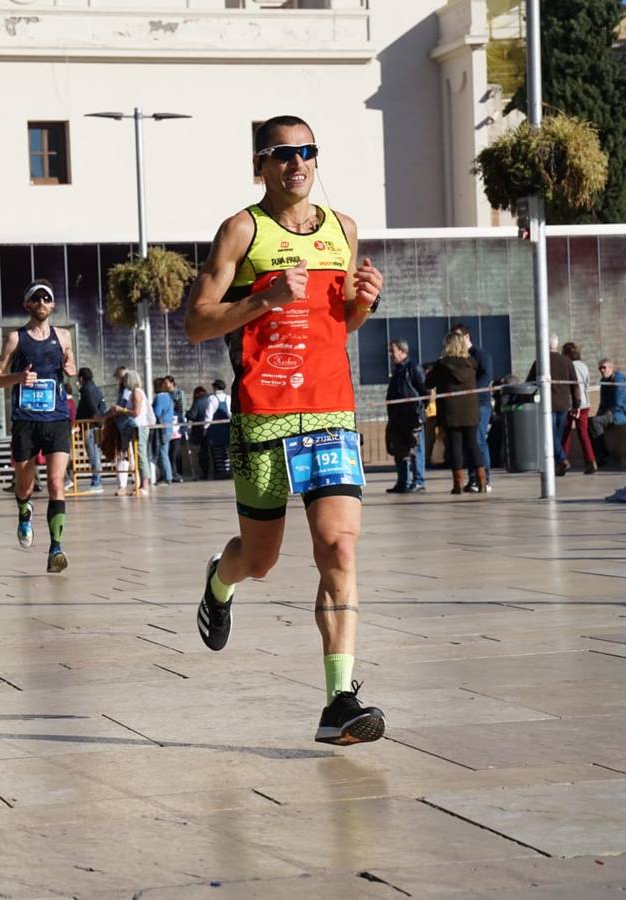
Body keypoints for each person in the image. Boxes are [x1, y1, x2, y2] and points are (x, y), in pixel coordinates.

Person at [183, 114, 386, 745]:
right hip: (264, 415)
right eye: (283, 153)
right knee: (262, 559)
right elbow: (196, 322)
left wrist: (363, 304)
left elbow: (339, 323)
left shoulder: (343, 229)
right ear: (261, 165)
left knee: (339, 550)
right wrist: (261, 299)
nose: (297, 163)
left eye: (308, 152)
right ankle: (221, 580)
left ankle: (339, 702)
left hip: (330, 410)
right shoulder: (242, 230)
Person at [0, 278, 77, 574]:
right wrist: (17, 379)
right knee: (24, 485)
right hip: (26, 421)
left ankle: (56, 549)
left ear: (53, 305)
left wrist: (70, 369)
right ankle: (24, 512)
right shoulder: (15, 338)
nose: (42, 303)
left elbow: (71, 366)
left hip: (57, 419)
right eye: (36, 298)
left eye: (47, 298)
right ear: (27, 304)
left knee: (55, 483)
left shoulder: (64, 336)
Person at [425, 331, 486, 494]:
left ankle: (458, 484)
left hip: (450, 411)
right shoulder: (472, 362)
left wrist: (436, 366)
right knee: (473, 444)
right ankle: (482, 481)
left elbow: (428, 383)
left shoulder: (443, 364)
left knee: (455, 446)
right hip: (471, 410)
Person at [525, 335, 581, 476]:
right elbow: (575, 385)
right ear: (557, 345)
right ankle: (558, 464)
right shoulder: (567, 363)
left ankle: (562, 460)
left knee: (550, 436)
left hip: (547, 405)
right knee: (557, 435)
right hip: (563, 405)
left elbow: (529, 383)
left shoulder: (540, 362)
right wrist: (577, 404)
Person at [453, 324, 493, 492]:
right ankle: (473, 479)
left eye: (457, 336)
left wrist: (471, 390)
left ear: (466, 336)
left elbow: (487, 375)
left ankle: (485, 478)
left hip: (480, 403)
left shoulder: (480, 354)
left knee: (478, 440)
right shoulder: (458, 356)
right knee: (468, 443)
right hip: (465, 405)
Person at [384, 339, 426, 494]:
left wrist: (420, 411)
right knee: (400, 450)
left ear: (402, 351)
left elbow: (424, 390)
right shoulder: (397, 370)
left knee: (416, 449)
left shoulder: (413, 367)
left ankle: (419, 481)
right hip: (398, 417)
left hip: (412, 417)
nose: (390, 355)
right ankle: (403, 482)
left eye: (392, 351)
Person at [559, 342, 598, 475]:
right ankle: (591, 460)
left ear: (567, 354)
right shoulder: (584, 366)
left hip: (572, 404)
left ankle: (562, 462)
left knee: (566, 432)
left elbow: (569, 386)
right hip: (585, 404)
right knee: (583, 434)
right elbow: (586, 384)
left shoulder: (567, 366)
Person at [589, 358, 626, 466]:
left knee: (595, 422)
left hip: (621, 414)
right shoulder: (604, 382)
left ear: (611, 368)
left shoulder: (619, 380)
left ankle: (603, 454)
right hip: (609, 413)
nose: (602, 370)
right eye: (600, 368)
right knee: (590, 422)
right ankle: (595, 455)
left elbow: (618, 402)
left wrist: (606, 413)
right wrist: (599, 414)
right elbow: (602, 403)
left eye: (604, 367)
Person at [74, 367, 107, 492]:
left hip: (90, 426)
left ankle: (97, 481)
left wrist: (97, 420)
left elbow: (92, 408)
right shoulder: (95, 389)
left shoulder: (87, 390)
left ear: (81, 378)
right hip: (94, 425)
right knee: (95, 453)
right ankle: (97, 479)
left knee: (93, 453)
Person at [152, 376, 177, 485]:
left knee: (162, 453)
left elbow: (157, 413)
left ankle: (167, 477)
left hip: (162, 428)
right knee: (164, 452)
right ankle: (165, 475)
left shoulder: (160, 398)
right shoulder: (168, 397)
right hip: (168, 427)